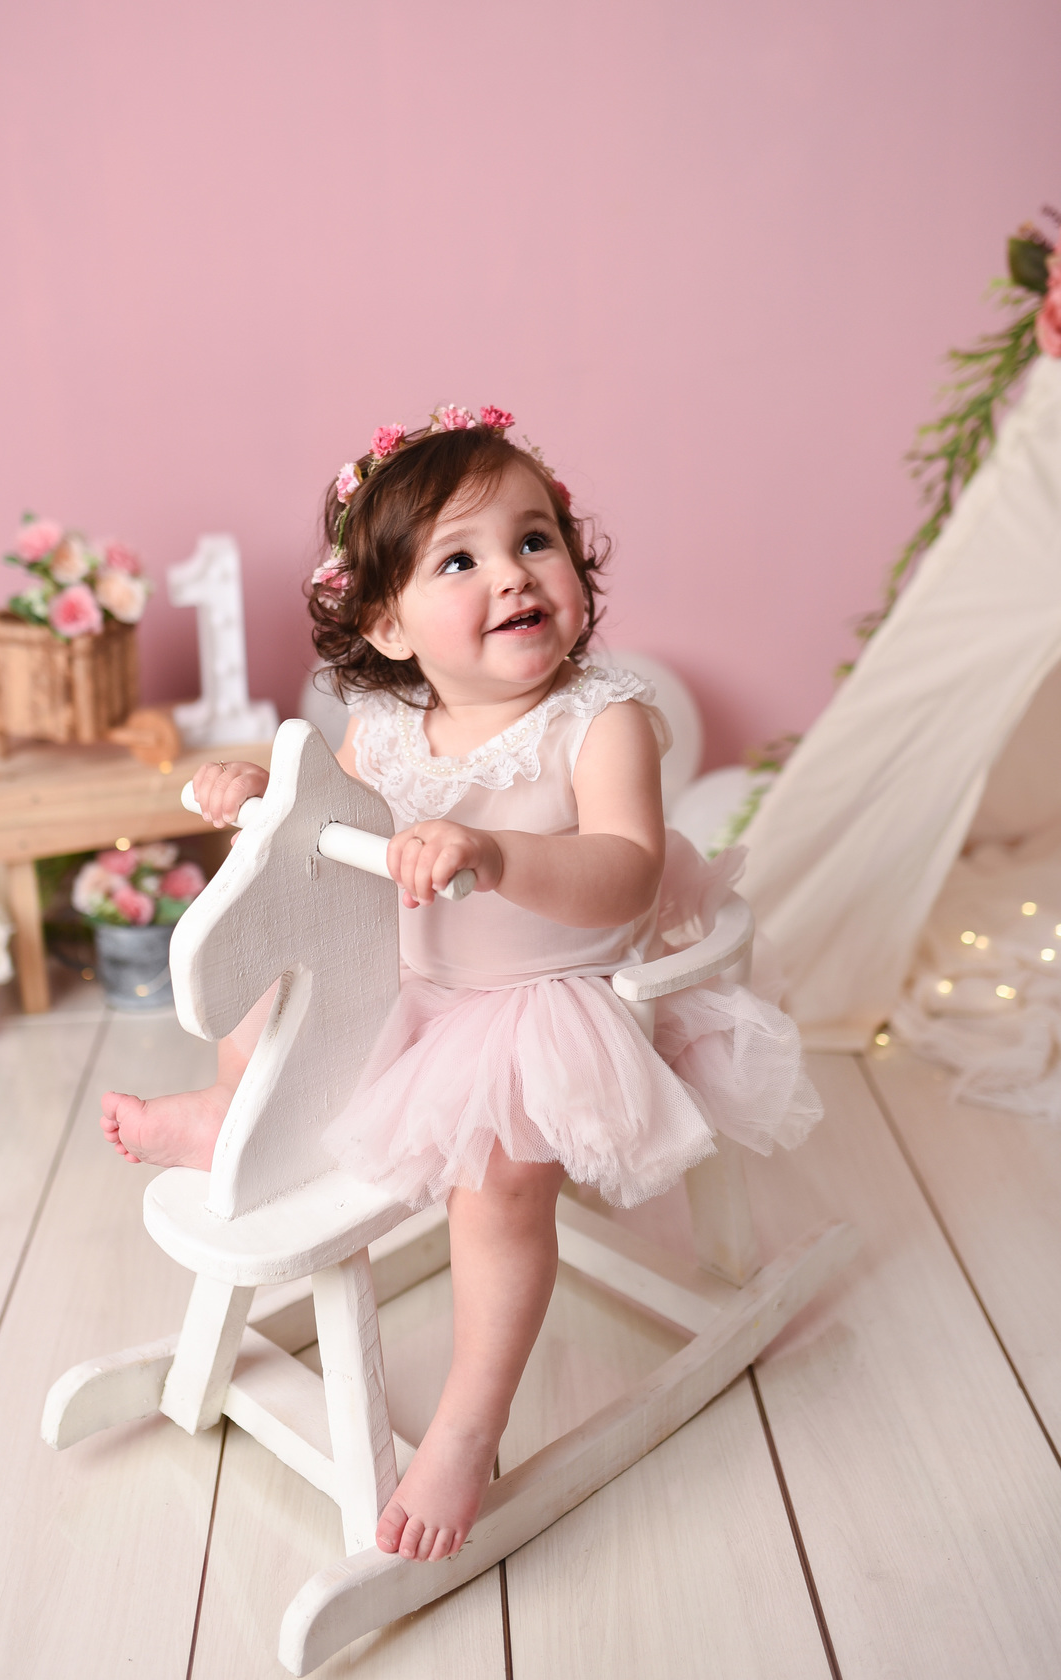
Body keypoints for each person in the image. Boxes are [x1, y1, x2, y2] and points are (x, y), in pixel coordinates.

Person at [101, 405, 821, 1566]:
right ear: (387, 626)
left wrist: (499, 854)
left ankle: (465, 1425)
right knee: (277, 1014)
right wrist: (262, 797)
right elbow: (330, 824)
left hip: (541, 1001)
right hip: (407, 977)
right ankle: (230, 1116)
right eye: (460, 560)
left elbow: (627, 873)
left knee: (498, 1186)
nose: (514, 574)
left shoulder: (601, 722)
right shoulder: (385, 721)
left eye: (536, 540)